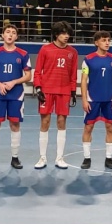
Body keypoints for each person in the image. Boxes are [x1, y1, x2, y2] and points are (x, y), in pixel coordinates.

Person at [0, 23, 31, 171]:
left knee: (15, 124)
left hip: (16, 94)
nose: (10, 34)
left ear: (16, 36)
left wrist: (14, 81)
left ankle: (15, 158)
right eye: (7, 32)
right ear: (2, 35)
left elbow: (28, 75)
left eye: (13, 32)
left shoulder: (22, 54)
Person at [32, 21, 79, 169]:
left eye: (68, 34)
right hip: (47, 90)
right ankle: (42, 158)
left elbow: (73, 75)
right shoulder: (45, 50)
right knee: (45, 122)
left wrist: (73, 92)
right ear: (56, 34)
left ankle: (59, 158)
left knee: (61, 123)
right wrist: (38, 88)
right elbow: (38, 71)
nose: (66, 36)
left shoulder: (73, 52)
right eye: (64, 33)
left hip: (64, 91)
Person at [80, 30, 112, 170]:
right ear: (96, 42)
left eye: (108, 40)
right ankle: (87, 158)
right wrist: (84, 100)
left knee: (110, 127)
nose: (107, 43)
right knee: (88, 127)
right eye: (104, 40)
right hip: (93, 99)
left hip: (109, 99)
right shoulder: (88, 59)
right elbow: (84, 80)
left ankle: (109, 158)